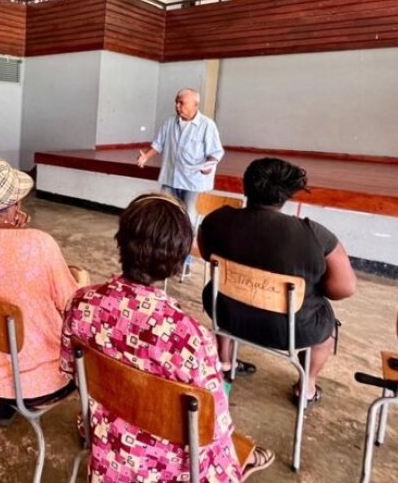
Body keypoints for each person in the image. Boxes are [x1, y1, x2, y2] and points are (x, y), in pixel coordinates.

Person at [61, 193, 275, 481]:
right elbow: (214, 428)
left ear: (120, 241)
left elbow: (69, 370)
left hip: (107, 452)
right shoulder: (191, 337)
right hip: (171, 470)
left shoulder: (81, 303)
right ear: (178, 263)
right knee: (227, 446)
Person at [199, 158, 357, 405]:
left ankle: (224, 360)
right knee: (325, 325)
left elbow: (208, 254)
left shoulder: (216, 220)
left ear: (245, 187)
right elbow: (344, 288)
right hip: (291, 330)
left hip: (226, 314)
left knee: (226, 291)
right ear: (287, 196)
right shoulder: (316, 235)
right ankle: (306, 386)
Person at [0, 157, 88, 426]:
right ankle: (89, 424)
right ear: (16, 203)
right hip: (38, 382)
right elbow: (72, 306)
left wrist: (14, 232)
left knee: (6, 318)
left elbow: (0, 262)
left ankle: (7, 405)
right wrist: (83, 279)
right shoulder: (40, 244)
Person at [136, 88, 224, 223]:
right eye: (176, 102)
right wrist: (146, 156)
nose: (177, 106)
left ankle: (188, 243)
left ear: (195, 104)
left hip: (194, 182)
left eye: (182, 103)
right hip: (170, 179)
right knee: (165, 215)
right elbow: (158, 144)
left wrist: (209, 165)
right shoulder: (170, 122)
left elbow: (216, 152)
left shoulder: (207, 125)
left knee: (189, 218)